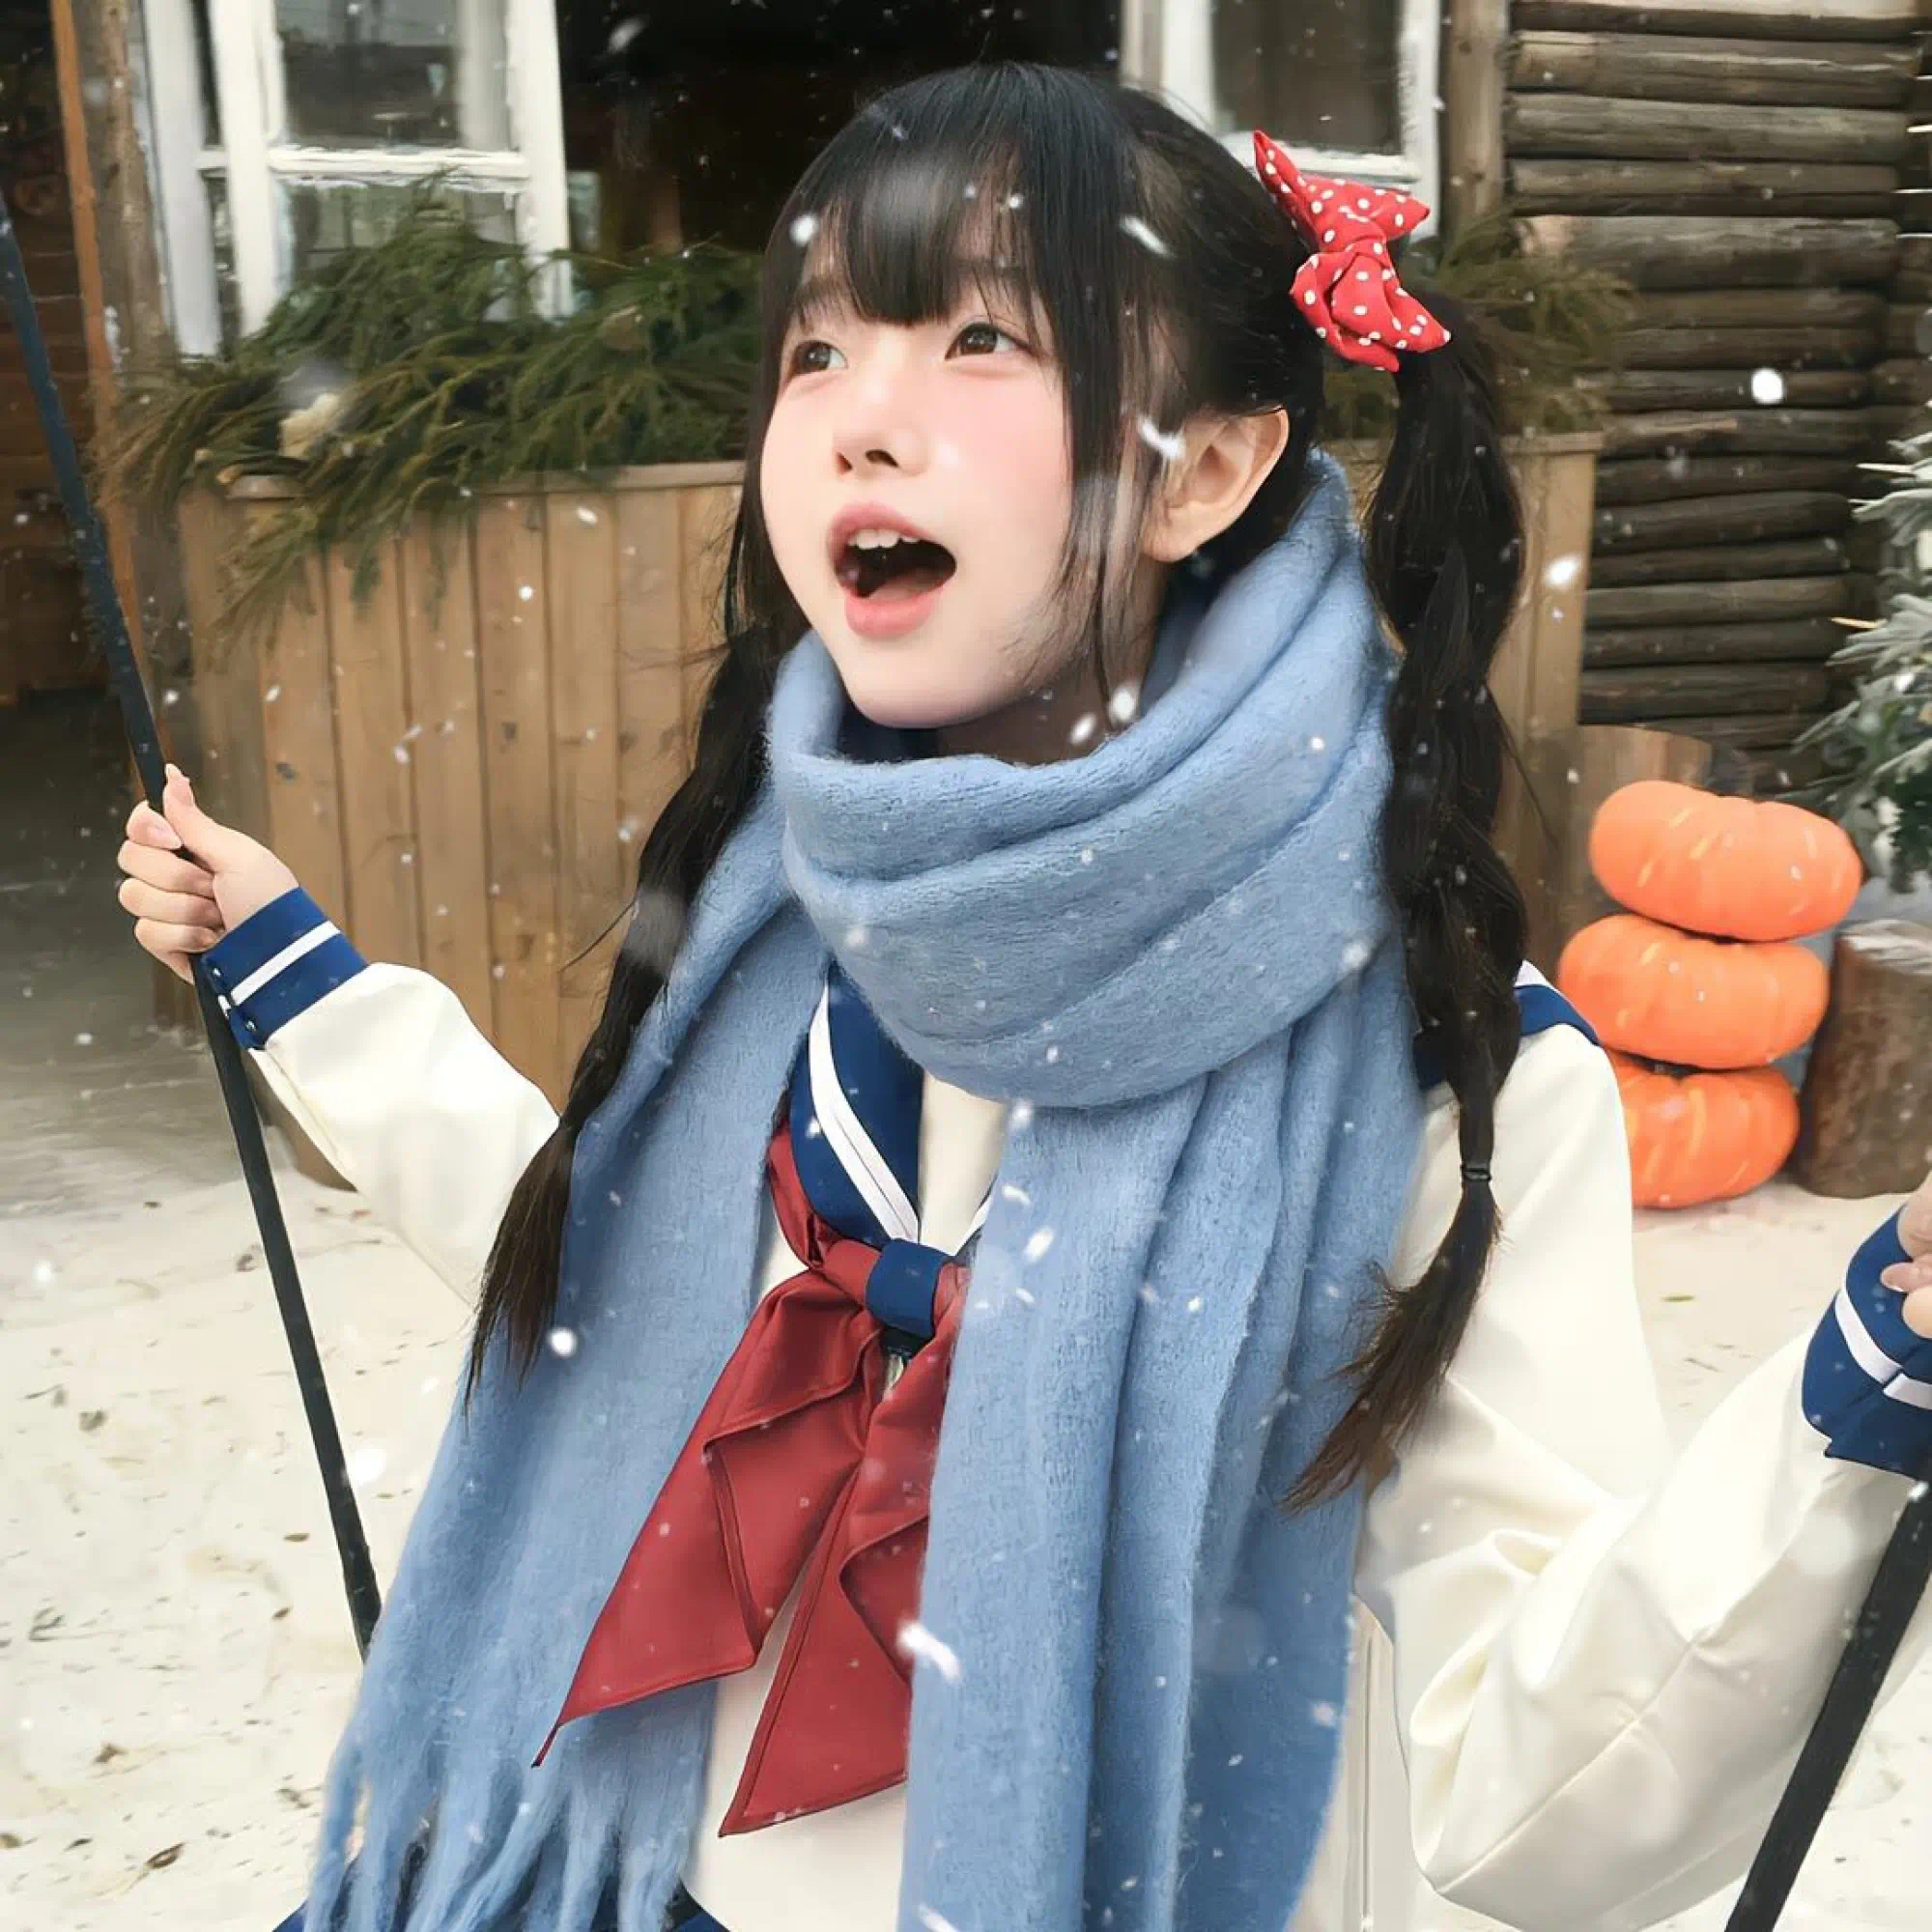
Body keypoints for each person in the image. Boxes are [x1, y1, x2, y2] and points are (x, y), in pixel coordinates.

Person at [115, 63, 1932, 1932]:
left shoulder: (1439, 1072)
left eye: (981, 339)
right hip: (639, 1877)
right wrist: (298, 981)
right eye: (818, 352)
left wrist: (1861, 1394)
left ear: (1205, 470)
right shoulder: (787, 909)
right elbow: (607, 1280)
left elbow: (1539, 1791)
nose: (860, 419)